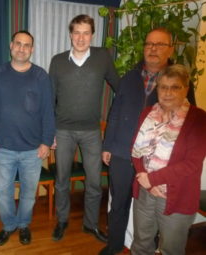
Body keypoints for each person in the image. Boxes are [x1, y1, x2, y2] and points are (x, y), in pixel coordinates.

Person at [100, 28, 196, 255]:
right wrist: (108, 145)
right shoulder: (129, 77)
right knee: (119, 203)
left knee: (150, 206)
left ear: (170, 49)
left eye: (160, 44)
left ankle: (149, 248)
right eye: (149, 44)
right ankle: (114, 245)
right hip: (123, 153)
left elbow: (188, 121)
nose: (153, 49)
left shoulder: (178, 82)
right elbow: (115, 112)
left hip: (157, 160)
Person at [49, 14, 119, 242]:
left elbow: (119, 87)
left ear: (92, 35)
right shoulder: (58, 61)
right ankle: (62, 220)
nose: (81, 38)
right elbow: (50, 99)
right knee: (61, 180)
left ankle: (90, 224)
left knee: (94, 182)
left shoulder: (102, 57)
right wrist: (49, 132)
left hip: (91, 132)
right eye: (76, 32)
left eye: (86, 32)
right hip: (63, 130)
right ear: (70, 35)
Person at [0, 30, 55, 246]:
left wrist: (46, 141)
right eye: (18, 43)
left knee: (28, 194)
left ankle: (23, 224)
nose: (22, 48)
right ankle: (8, 226)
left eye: (27, 45)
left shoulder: (41, 76)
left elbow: (47, 111)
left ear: (32, 49)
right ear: (11, 45)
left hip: (33, 149)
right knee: (4, 193)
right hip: (3, 147)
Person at [130, 64, 206, 255]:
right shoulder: (147, 114)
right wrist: (147, 180)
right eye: (163, 86)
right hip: (145, 191)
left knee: (171, 249)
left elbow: (192, 163)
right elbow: (136, 151)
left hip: (176, 196)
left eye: (175, 87)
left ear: (186, 90)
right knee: (141, 244)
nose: (168, 92)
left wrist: (153, 179)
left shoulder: (199, 119)